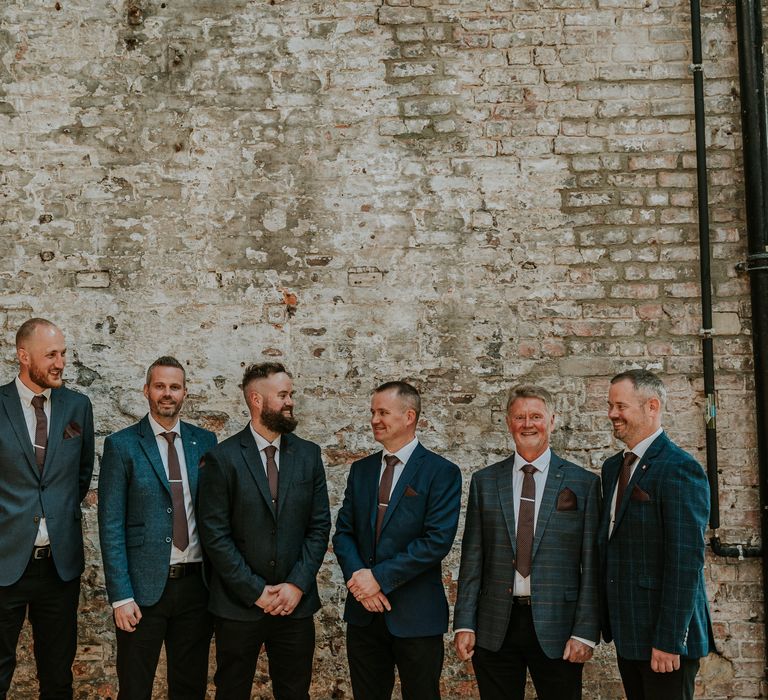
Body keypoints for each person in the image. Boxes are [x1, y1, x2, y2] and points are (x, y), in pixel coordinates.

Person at [453, 384, 600, 700]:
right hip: (495, 625)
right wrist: (464, 623)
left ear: (552, 420)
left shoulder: (583, 484)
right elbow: (473, 558)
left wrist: (585, 632)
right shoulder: (485, 481)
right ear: (508, 422)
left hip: (559, 626)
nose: (527, 424)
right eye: (519, 417)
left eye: (536, 416)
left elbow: (592, 564)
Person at [197, 362, 330, 700]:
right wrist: (255, 590)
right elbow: (215, 535)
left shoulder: (309, 455)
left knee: (295, 691)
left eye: (290, 394)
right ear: (256, 399)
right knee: (231, 691)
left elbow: (318, 527)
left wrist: (297, 585)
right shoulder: (222, 458)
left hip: (295, 604)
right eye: (282, 395)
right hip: (238, 605)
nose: (290, 402)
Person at [333, 381, 462, 700]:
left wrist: (378, 578)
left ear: (409, 416)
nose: (375, 419)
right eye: (373, 412)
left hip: (416, 615)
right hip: (364, 613)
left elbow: (436, 541)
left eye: (383, 412)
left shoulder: (441, 472)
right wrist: (361, 584)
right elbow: (344, 533)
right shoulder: (360, 471)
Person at [98, 356, 217, 699]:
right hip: (142, 590)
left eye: (175, 387)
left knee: (190, 687)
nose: (168, 393)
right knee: (135, 688)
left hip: (197, 587)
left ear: (185, 393)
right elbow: (111, 523)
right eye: (160, 386)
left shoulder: (205, 442)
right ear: (146, 390)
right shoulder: (122, 445)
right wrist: (121, 596)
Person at [599, 369, 714, 700]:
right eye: (610, 405)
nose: (612, 414)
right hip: (629, 632)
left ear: (652, 406)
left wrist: (668, 639)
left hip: (664, 641)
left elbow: (685, 560)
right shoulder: (613, 468)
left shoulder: (679, 467)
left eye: (620, 406)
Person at [0, 318, 95, 699]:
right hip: (5, 562)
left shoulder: (78, 406)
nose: (60, 363)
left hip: (59, 566)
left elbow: (82, 475)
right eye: (51, 355)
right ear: (24, 356)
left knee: (58, 675)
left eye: (63, 354)